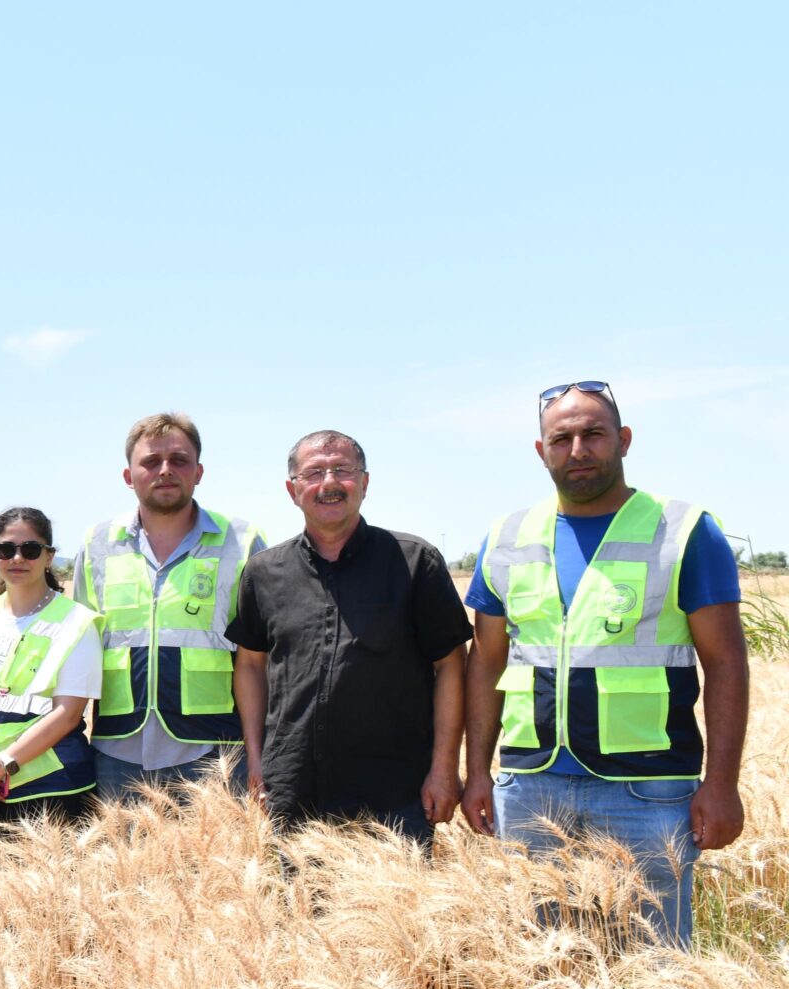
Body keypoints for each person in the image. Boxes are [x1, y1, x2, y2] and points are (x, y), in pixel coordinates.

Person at [462, 383, 748, 944]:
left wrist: (722, 784)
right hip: (529, 785)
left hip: (647, 788)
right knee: (539, 962)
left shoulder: (684, 531)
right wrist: (478, 774)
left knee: (656, 967)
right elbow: (485, 663)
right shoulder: (506, 537)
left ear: (624, 439)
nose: (578, 449)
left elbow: (726, 662)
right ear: (541, 451)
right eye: (561, 438)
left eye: (593, 434)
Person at [228, 433, 470, 846]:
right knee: (293, 910)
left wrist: (444, 768)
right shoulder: (263, 573)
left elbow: (450, 665)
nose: (329, 482)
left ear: (365, 482)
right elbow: (250, 665)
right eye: (314, 472)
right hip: (293, 789)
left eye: (342, 470)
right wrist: (255, 756)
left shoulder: (415, 562)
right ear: (293, 489)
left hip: (396, 795)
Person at [74, 412, 263, 801]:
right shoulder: (97, 544)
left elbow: (260, 659)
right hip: (116, 750)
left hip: (215, 749)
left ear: (198, 471)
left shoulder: (242, 541)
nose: (165, 470)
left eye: (179, 460)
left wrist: (259, 754)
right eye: (150, 462)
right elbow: (77, 652)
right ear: (128, 476)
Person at [0, 507, 103, 828]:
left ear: (49, 556)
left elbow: (69, 714)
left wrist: (0, 767)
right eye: (6, 549)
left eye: (30, 550)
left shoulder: (77, 622)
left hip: (50, 788)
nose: (17, 558)